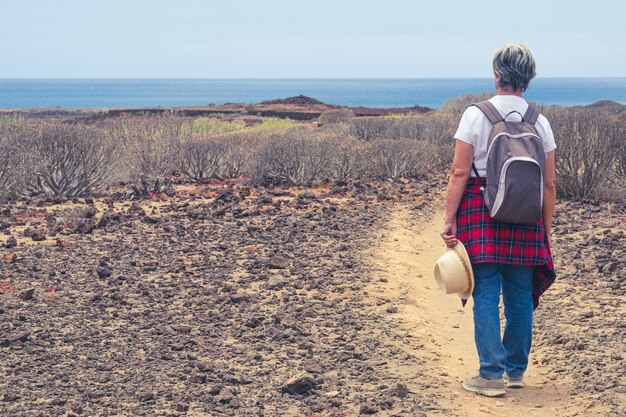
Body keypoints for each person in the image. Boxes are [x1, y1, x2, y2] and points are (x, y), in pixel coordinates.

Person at [441, 43, 557, 397]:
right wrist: (545, 229)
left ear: (496, 75)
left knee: (487, 292)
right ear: (529, 79)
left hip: (481, 209)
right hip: (526, 217)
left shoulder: (475, 115)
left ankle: (490, 375)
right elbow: (549, 183)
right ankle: (515, 371)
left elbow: (460, 172)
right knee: (520, 296)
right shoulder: (541, 122)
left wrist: (449, 218)